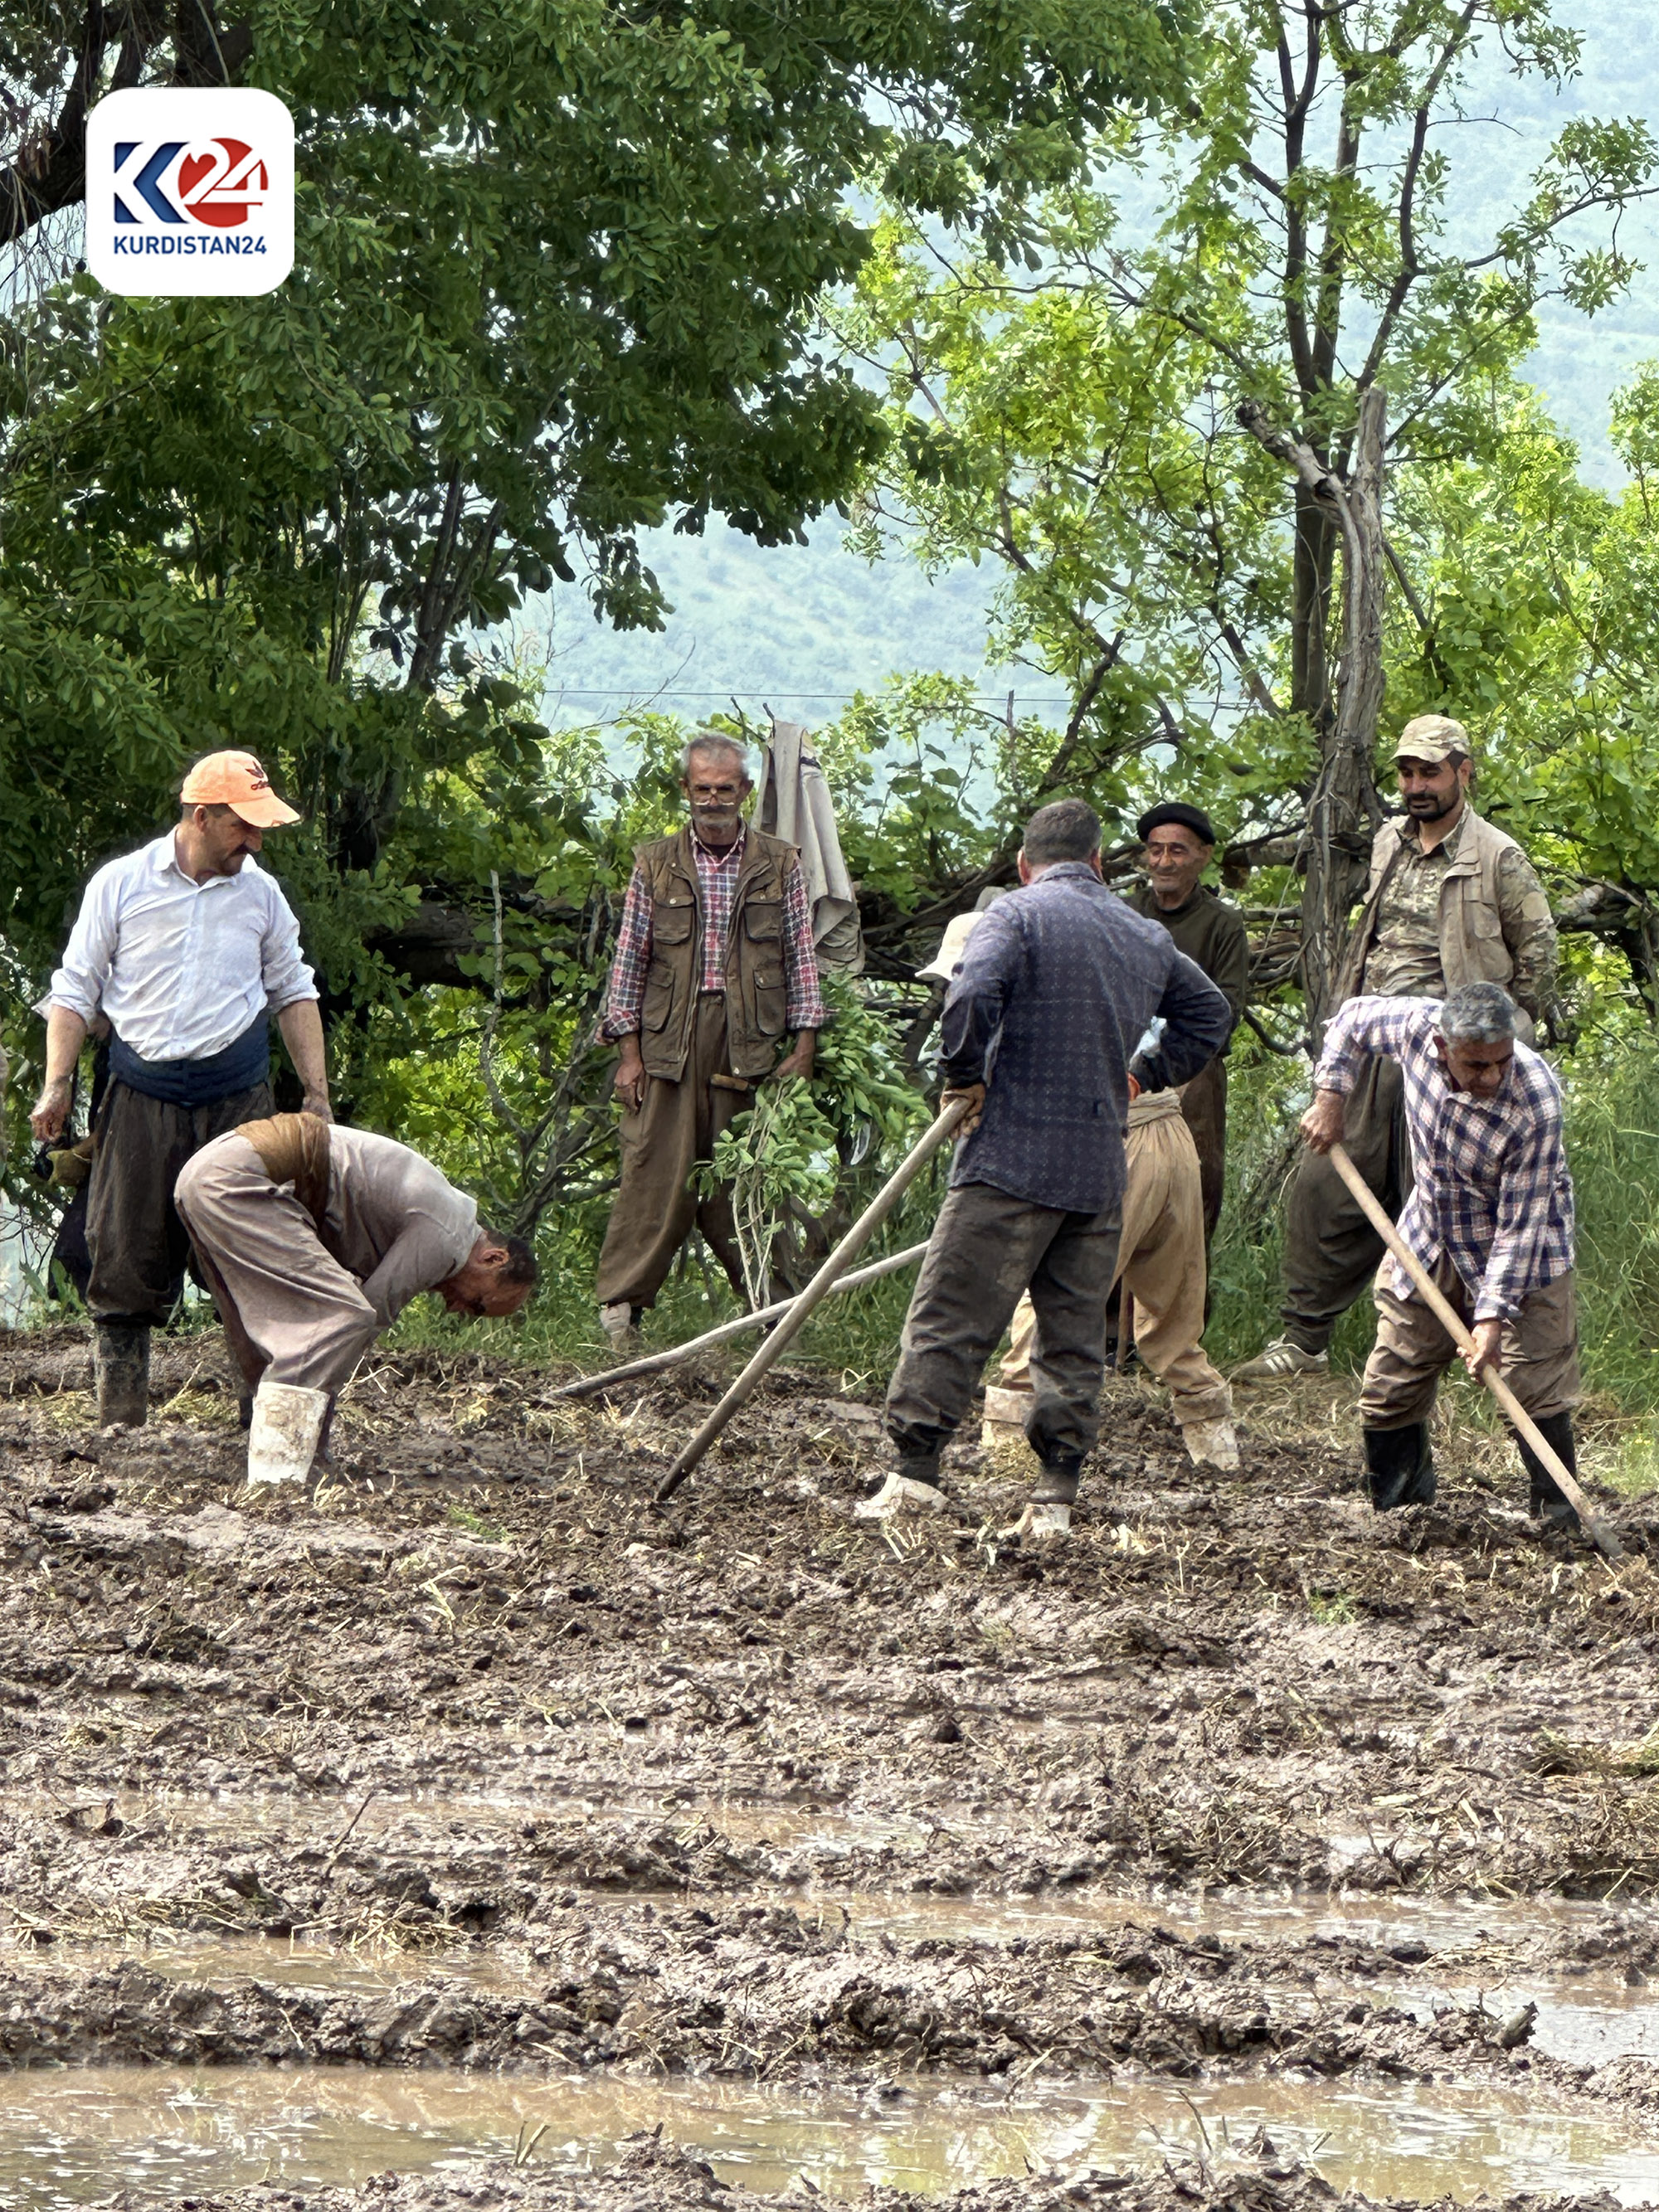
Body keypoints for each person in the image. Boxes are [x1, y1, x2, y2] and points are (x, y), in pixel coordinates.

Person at [866, 799, 1233, 1539]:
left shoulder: (1015, 913)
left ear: (1026, 864)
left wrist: (965, 1073)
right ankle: (1055, 1491)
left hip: (1008, 1158)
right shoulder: (1143, 933)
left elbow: (970, 991)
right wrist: (1145, 1072)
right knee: (1071, 1335)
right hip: (1099, 1168)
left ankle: (913, 1476)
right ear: (1100, 862)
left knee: (952, 1314)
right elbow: (1211, 1015)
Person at [1238, 716, 1558, 1382]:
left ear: (1464, 771)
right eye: (1407, 772)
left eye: (1430, 772)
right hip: (1374, 1044)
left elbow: (1539, 958)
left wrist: (1497, 1042)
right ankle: (1304, 1343)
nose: (1416, 785)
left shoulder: (1498, 856)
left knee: (1445, 1203)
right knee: (1325, 1189)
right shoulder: (1389, 841)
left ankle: (1468, 1351)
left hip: (1449, 1062)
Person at [30, 752, 329, 1429]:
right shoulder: (121, 884)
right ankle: (120, 1424)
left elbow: (294, 989)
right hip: (141, 1095)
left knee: (251, 1258)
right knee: (123, 1255)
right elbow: (73, 992)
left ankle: (264, 1423)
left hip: (238, 1098)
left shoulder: (262, 895)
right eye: (243, 827)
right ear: (202, 816)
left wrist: (316, 1095)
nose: (254, 842)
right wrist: (57, 1087)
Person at [1299, 983, 1579, 1526]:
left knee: (1533, 1387)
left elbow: (1520, 1226)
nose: (1491, 1077)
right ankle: (1403, 1516)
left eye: (1501, 1061)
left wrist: (1492, 1318)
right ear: (1443, 1046)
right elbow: (1351, 1020)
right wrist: (1330, 1099)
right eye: (1476, 1065)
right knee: (1391, 1382)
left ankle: (1560, 1522)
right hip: (1433, 1233)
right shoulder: (1413, 1027)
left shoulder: (1536, 1100)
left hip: (1529, 1250)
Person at [595, 734, 825, 1351]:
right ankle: (622, 1314)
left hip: (751, 1043)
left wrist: (803, 1048)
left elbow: (801, 957)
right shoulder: (655, 862)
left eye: (726, 789)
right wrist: (629, 1054)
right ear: (686, 791)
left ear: (745, 791)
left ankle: (776, 1320)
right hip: (670, 1040)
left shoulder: (780, 863)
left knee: (748, 1182)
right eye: (704, 789)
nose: (714, 801)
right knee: (654, 1174)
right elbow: (629, 962)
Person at [176, 1114, 537, 1486]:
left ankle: (280, 1453)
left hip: (206, 1174)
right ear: (494, 1258)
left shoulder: (448, 1216)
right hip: (239, 1181)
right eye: (476, 1304)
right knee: (342, 1316)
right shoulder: (447, 1238)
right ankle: (276, 1478)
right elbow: (364, 1315)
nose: (456, 1309)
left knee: (274, 1329)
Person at [990, 1076, 1239, 1471]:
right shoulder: (1167, 1011)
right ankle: (1216, 1440)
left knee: (1055, 1287)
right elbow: (1202, 1026)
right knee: (1175, 1306)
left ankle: (1007, 1442)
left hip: (1112, 1136)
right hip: (1173, 1135)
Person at [1126, 802, 1250, 1244]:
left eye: (1177, 851)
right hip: (1122, 1071)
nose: (1163, 862)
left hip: (1194, 1073)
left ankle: (1182, 1309)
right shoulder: (1123, 913)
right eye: (1154, 851)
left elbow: (1227, 1010)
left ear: (1203, 856)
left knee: (1189, 1203)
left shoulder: (1222, 924)